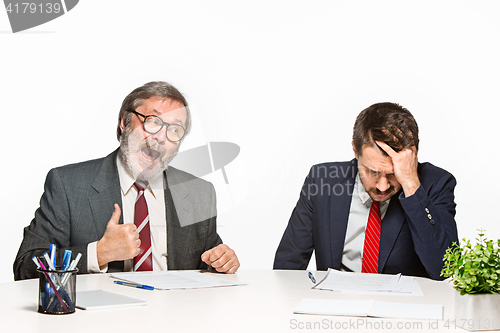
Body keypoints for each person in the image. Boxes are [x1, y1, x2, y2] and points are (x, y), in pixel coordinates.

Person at [14, 81, 240, 280]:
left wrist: (220, 263)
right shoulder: (68, 185)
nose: (161, 137)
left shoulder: (199, 193)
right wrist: (99, 253)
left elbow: (206, 266)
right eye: (152, 121)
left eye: (174, 129)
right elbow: (25, 267)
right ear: (124, 122)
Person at [273, 102, 458, 280]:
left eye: (393, 174)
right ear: (355, 150)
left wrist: (410, 183)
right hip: (336, 305)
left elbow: (444, 270)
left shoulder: (436, 184)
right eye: (372, 171)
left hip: (402, 308)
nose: (383, 186)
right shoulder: (322, 180)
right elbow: (287, 267)